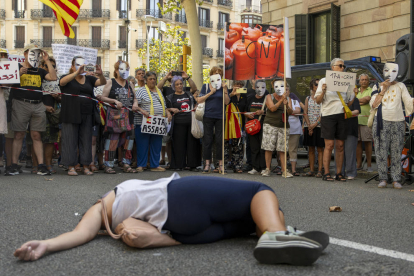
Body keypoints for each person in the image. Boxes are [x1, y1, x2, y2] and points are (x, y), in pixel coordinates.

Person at [14, 174, 326, 266]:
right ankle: (277, 234)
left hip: (186, 232)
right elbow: (82, 232)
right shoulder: (108, 199)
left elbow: (79, 234)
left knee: (248, 219)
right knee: (260, 190)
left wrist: (47, 245)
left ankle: (275, 232)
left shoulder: (101, 213)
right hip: (179, 196)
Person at [9, 44, 57, 176]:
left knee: (36, 135)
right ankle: (14, 164)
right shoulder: (17, 67)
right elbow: (6, 82)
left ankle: (41, 165)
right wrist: (18, 73)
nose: (34, 56)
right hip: (20, 104)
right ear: (25, 54)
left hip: (37, 105)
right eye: (32, 53)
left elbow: (53, 78)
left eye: (37, 53)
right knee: (19, 134)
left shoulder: (40, 70)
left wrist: (46, 60)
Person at [59, 56, 107, 176]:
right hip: (70, 113)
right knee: (70, 140)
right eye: (78, 64)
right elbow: (61, 83)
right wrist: (76, 73)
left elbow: (102, 82)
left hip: (87, 113)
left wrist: (100, 74)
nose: (81, 66)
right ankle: (71, 166)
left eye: (82, 64)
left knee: (86, 139)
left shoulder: (89, 79)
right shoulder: (67, 77)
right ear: (72, 66)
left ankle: (85, 166)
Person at [370, 63, 414, 189]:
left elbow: (408, 102)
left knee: (396, 151)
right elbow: (373, 105)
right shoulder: (377, 86)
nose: (390, 73)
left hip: (398, 121)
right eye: (387, 70)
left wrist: (412, 102)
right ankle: (383, 178)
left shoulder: (401, 86)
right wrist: (383, 89)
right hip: (381, 122)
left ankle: (396, 179)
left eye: (394, 70)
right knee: (381, 151)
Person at [315, 58, 355, 182]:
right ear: (333, 67)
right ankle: (326, 173)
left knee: (340, 145)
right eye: (340, 65)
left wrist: (355, 94)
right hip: (328, 115)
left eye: (344, 66)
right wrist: (324, 91)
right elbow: (317, 100)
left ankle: (339, 173)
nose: (343, 68)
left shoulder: (347, 81)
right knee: (329, 145)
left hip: (341, 114)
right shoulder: (324, 80)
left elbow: (348, 102)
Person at [101, 61, 138, 174]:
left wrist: (135, 103)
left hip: (129, 117)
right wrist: (114, 101)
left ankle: (126, 163)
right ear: (116, 70)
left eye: (127, 69)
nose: (124, 72)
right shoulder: (110, 82)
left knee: (129, 140)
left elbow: (134, 98)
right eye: (121, 69)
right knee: (112, 140)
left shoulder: (130, 84)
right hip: (115, 117)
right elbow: (102, 98)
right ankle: (108, 164)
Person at [134, 71, 172, 172]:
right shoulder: (141, 91)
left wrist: (167, 113)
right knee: (143, 144)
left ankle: (154, 165)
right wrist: (142, 111)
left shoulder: (159, 92)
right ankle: (141, 165)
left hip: (158, 123)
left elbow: (164, 106)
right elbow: (135, 105)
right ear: (146, 80)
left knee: (157, 144)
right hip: (143, 122)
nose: (152, 81)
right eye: (150, 79)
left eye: (154, 79)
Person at [196, 67, 231, 173]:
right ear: (211, 75)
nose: (217, 75)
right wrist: (211, 92)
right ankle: (207, 164)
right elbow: (199, 99)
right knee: (207, 140)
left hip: (220, 116)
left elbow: (227, 102)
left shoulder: (224, 87)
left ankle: (220, 164)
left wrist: (225, 90)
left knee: (220, 140)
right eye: (215, 73)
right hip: (208, 116)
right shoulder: (206, 86)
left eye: (219, 74)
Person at [30, 57, 61, 174]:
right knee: (36, 138)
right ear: (42, 67)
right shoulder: (37, 79)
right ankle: (35, 164)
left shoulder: (56, 81)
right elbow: (31, 96)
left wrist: (57, 97)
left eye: (53, 66)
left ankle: (48, 164)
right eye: (47, 66)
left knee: (50, 140)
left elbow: (62, 98)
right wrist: (44, 106)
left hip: (52, 114)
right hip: (37, 111)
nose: (50, 68)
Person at [166, 75, 201, 171]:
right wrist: (170, 109)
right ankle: (178, 165)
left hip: (191, 123)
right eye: (177, 84)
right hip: (177, 124)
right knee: (178, 145)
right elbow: (165, 109)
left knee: (192, 144)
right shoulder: (170, 97)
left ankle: (192, 165)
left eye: (181, 83)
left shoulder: (189, 95)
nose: (179, 86)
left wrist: (188, 77)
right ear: (174, 86)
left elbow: (194, 90)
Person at [261, 80, 293, 177]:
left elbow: (290, 112)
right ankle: (267, 169)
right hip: (270, 124)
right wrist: (280, 101)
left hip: (283, 125)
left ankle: (284, 170)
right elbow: (272, 108)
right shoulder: (269, 96)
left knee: (282, 149)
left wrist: (286, 104)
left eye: (282, 86)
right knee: (268, 147)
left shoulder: (288, 98)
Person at [303, 79, 324, 178]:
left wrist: (315, 124)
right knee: (311, 149)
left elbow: (323, 113)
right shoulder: (308, 98)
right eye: (316, 84)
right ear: (312, 86)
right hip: (309, 126)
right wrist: (309, 125)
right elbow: (305, 112)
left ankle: (320, 170)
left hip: (319, 126)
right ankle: (311, 170)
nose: (318, 86)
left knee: (320, 149)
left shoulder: (322, 98)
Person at [335, 95, 360, 180]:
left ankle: (351, 172)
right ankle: (339, 172)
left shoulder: (354, 99)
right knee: (338, 151)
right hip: (338, 129)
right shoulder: (337, 99)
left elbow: (357, 111)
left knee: (350, 152)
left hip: (351, 129)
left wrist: (346, 113)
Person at [245, 80, 268, 175]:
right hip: (252, 126)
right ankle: (255, 167)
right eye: (258, 87)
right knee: (253, 147)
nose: (260, 89)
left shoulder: (267, 98)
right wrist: (248, 115)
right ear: (254, 87)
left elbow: (272, 110)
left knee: (263, 146)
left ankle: (263, 167)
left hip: (263, 124)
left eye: (263, 87)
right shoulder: (250, 98)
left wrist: (263, 112)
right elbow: (245, 111)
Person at [226, 80, 248, 173]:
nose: (238, 86)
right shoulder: (228, 93)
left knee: (238, 145)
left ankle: (238, 166)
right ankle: (226, 164)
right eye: (236, 84)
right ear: (233, 85)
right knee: (227, 144)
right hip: (228, 124)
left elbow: (246, 109)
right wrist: (232, 94)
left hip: (240, 123)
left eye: (240, 85)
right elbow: (225, 103)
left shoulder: (245, 96)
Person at [355, 74, 373, 172]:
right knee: (357, 143)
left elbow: (367, 100)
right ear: (359, 81)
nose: (364, 81)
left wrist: (356, 101)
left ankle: (369, 165)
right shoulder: (355, 91)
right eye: (362, 80)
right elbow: (351, 101)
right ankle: (359, 165)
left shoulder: (371, 90)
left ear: (368, 81)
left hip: (366, 121)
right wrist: (359, 102)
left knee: (367, 142)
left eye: (366, 79)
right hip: (355, 120)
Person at [287, 92, 303, 176]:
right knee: (281, 149)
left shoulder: (294, 101)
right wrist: (292, 111)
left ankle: (293, 170)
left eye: (286, 89)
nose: (285, 91)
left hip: (295, 128)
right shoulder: (277, 101)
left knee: (293, 149)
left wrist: (289, 111)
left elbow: (298, 111)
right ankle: (282, 168)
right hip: (282, 127)